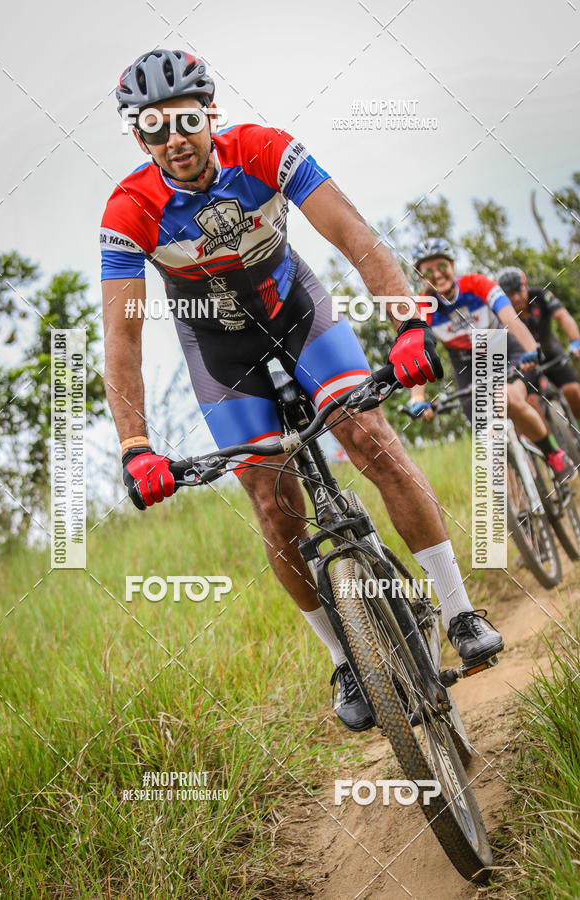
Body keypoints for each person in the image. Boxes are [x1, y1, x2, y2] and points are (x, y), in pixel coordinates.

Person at [101, 50, 504, 733]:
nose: (176, 139)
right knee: (270, 503)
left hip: (300, 315)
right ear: (139, 138)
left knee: (370, 436)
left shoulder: (266, 151)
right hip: (221, 352)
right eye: (155, 128)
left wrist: (408, 324)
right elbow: (122, 337)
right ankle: (347, 656)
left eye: (187, 120)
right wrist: (137, 447)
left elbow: (352, 233)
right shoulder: (129, 209)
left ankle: (460, 609)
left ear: (211, 115)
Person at [408, 239, 575, 483]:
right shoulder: (423, 307)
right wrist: (418, 397)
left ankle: (553, 454)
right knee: (485, 436)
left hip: (504, 348)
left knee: (506, 399)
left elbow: (512, 321)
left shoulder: (478, 284)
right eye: (428, 271)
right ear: (421, 277)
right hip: (467, 364)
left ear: (453, 265)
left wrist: (531, 350)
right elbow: (419, 354)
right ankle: (517, 503)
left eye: (441, 266)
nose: (437, 274)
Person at [497, 266, 580, 419]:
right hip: (526, 364)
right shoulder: (501, 313)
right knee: (531, 402)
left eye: (518, 290)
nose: (515, 298)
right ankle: (554, 443)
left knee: (573, 391)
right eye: (509, 294)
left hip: (552, 354)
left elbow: (563, 316)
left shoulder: (541, 295)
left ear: (526, 286)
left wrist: (576, 341)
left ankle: (574, 432)